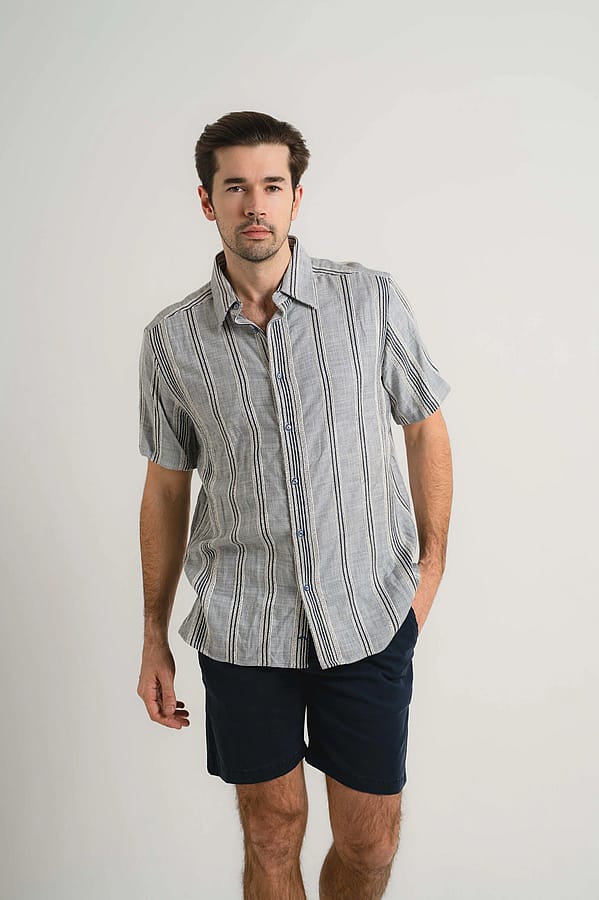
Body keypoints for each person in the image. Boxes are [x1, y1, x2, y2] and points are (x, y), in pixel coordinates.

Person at [136, 110, 453, 900]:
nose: (255, 204)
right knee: (270, 828)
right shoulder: (172, 340)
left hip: (367, 614)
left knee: (370, 844)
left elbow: (424, 426)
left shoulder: (368, 301)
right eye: (235, 186)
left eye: (271, 185)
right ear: (206, 200)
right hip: (243, 622)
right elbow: (166, 486)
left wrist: (429, 571)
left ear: (295, 197)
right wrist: (153, 634)